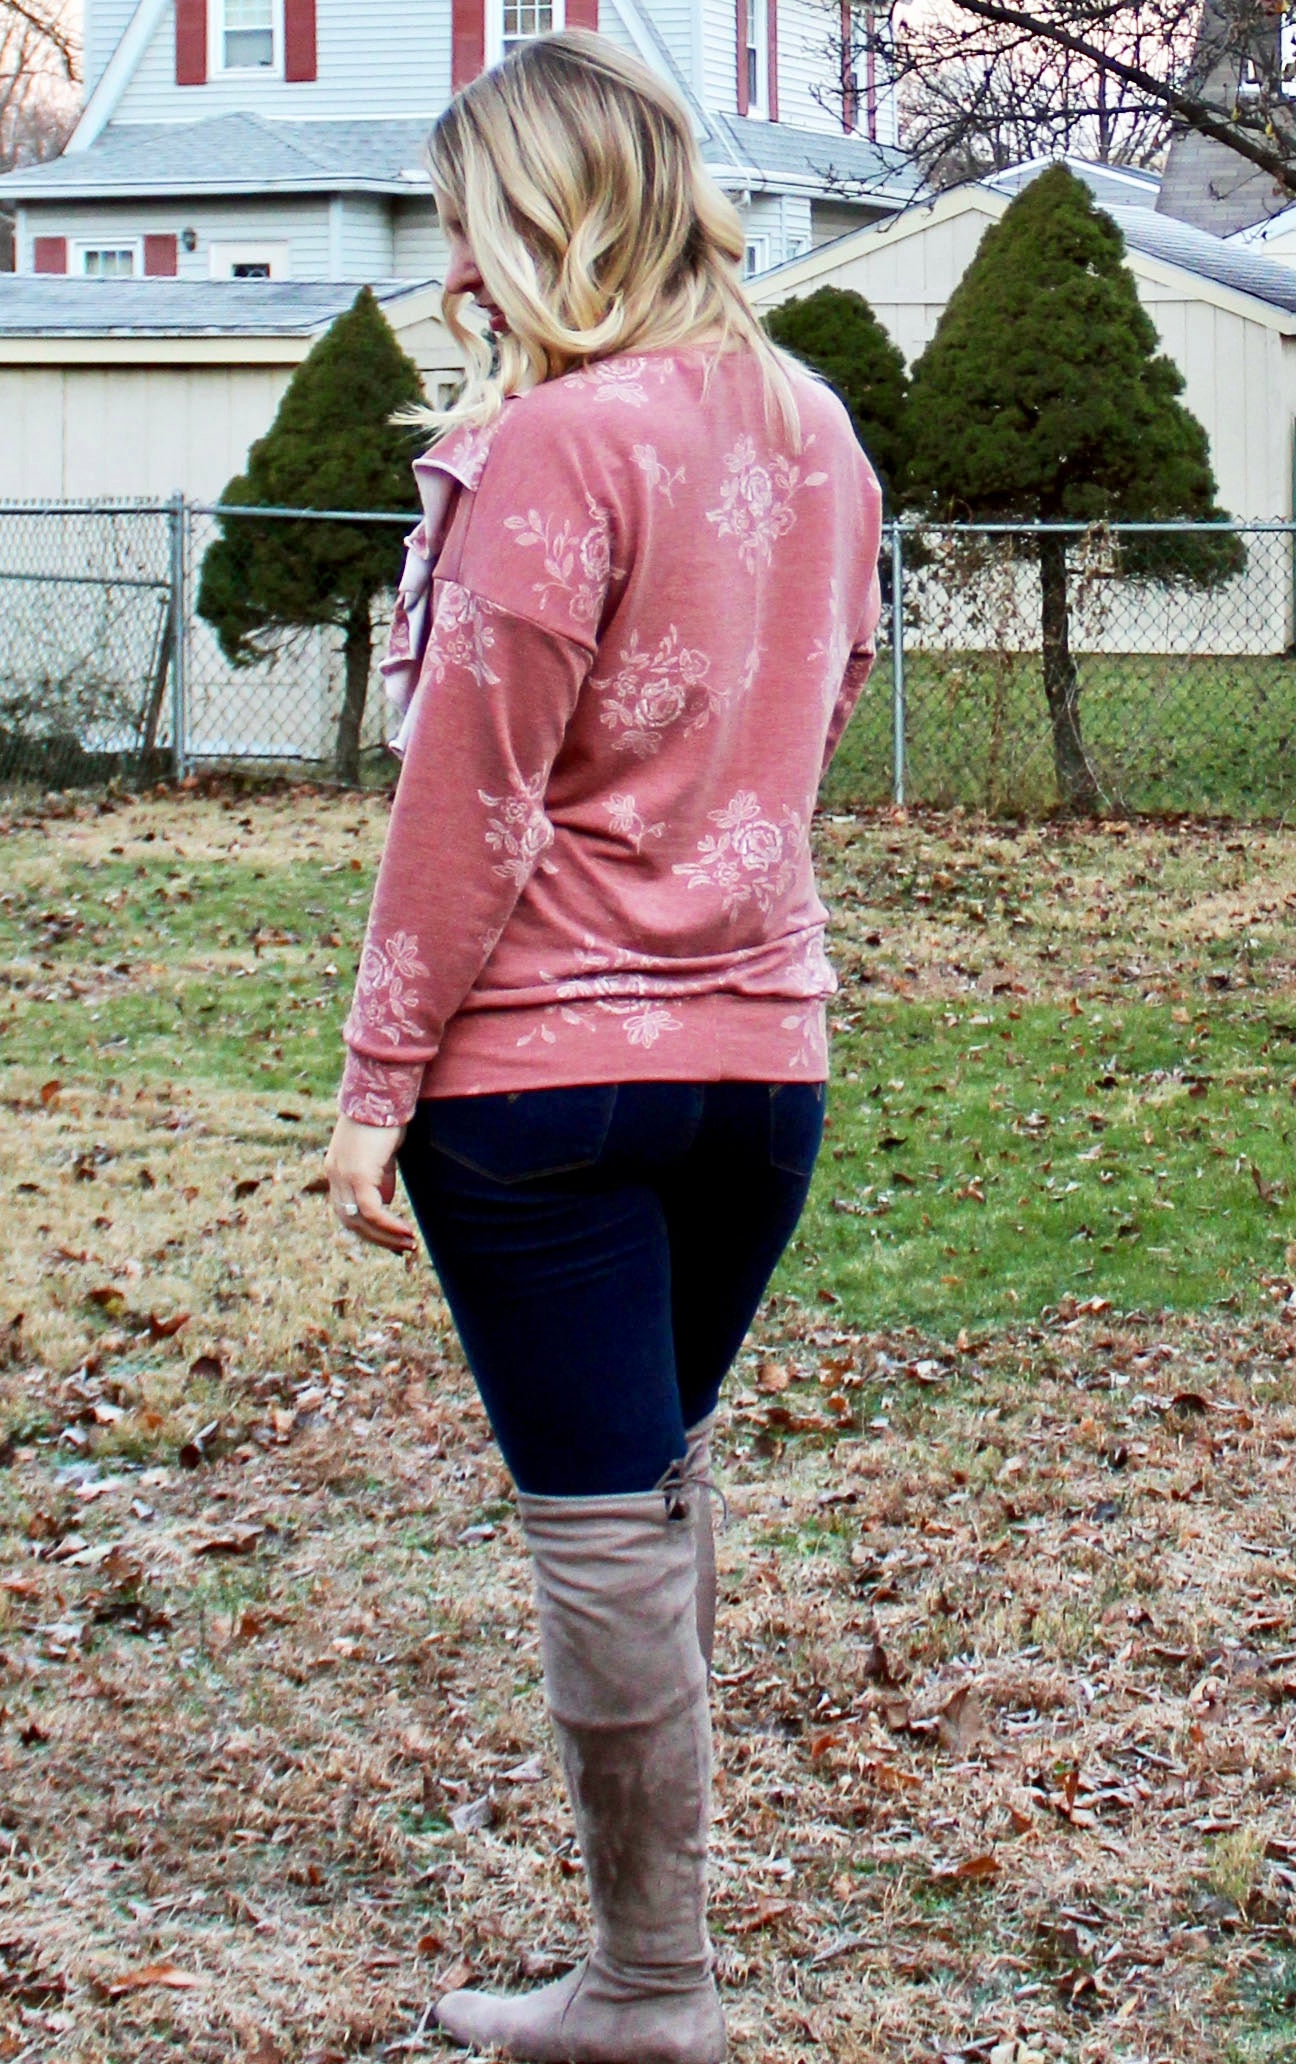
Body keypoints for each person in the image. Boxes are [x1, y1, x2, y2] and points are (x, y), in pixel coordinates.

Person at [323, 29, 882, 2063]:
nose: (457, 271)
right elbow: (818, 716)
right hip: (761, 1068)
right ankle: (648, 1967)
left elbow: (467, 798)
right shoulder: (819, 427)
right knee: (644, 1489)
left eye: (469, 225)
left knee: (598, 1516)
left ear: (549, 215)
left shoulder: (557, 446)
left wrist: (375, 1085)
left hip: (541, 1088)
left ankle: (651, 1988)